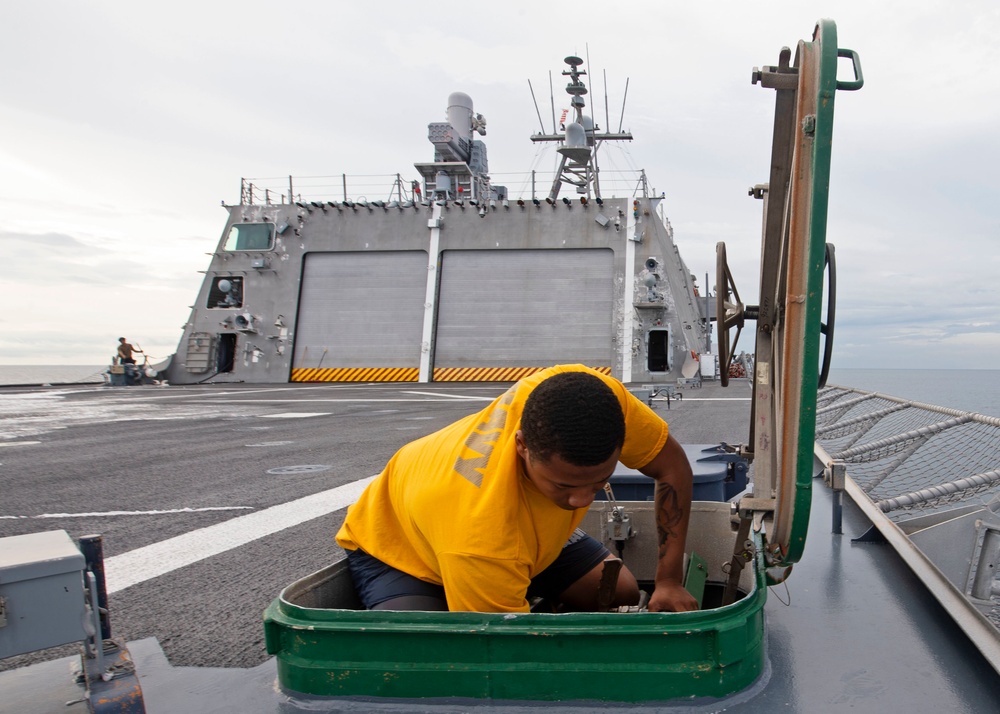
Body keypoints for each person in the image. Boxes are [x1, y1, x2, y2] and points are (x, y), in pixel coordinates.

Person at [336, 364, 698, 614]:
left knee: (622, 590)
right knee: (429, 658)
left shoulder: (588, 397)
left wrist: (668, 580)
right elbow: (504, 655)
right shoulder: (481, 535)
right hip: (402, 548)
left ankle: (503, 585)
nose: (583, 501)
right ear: (522, 446)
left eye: (598, 482)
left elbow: (672, 467)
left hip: (509, 535)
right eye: (564, 485)